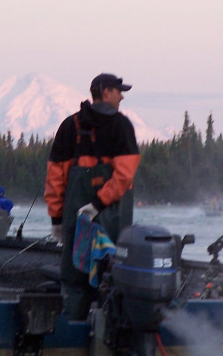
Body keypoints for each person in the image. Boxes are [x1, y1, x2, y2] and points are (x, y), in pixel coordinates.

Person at [44, 73, 140, 320]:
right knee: (113, 274)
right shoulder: (122, 126)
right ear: (105, 91)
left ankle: (74, 332)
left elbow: (55, 180)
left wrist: (57, 219)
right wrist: (97, 206)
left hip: (78, 221)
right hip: (114, 218)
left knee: (76, 279)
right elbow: (124, 176)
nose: (121, 97)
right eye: (119, 91)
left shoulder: (69, 126)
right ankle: (110, 333)